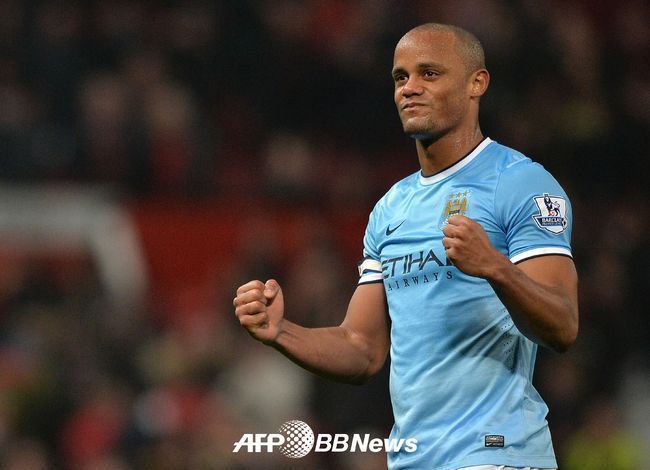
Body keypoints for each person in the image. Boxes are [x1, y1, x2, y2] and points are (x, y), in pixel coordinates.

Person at [233, 23, 578, 470]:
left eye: (429, 73)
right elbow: (362, 348)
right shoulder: (391, 208)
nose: (409, 88)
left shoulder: (520, 182)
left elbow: (563, 326)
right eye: (401, 77)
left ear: (477, 83)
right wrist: (281, 332)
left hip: (497, 453)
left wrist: (495, 267)